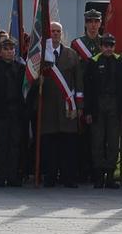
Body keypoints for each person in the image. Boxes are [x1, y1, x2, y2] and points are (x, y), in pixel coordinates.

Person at [35, 21, 85, 187]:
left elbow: (78, 83)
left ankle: (68, 178)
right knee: (49, 147)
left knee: (68, 147)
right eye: (52, 31)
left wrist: (79, 106)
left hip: (67, 109)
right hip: (48, 108)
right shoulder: (41, 55)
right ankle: (49, 178)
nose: (55, 34)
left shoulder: (71, 55)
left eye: (58, 31)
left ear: (61, 33)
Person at [81, 34, 122, 188]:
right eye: (106, 45)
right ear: (101, 47)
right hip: (98, 105)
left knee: (113, 141)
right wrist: (88, 111)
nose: (109, 48)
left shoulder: (120, 61)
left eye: (111, 45)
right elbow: (87, 89)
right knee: (97, 140)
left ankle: (110, 175)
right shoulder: (93, 62)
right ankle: (98, 175)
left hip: (115, 104)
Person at [0, 38, 28, 186]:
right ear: (0, 51)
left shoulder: (21, 68)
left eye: (12, 49)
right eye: (6, 49)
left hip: (16, 113)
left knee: (15, 145)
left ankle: (13, 175)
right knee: (1, 145)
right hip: (0, 113)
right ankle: (1, 176)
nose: (10, 52)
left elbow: (25, 91)